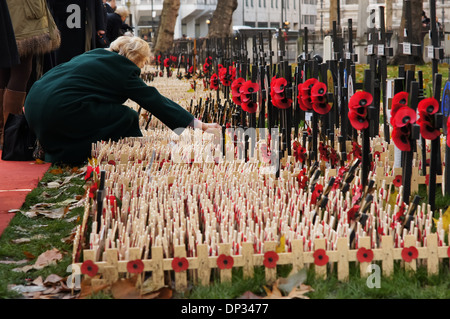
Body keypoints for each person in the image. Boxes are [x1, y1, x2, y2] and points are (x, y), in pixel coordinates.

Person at [24, 36, 221, 165]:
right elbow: (156, 102)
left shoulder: (94, 55)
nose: (142, 68)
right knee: (125, 116)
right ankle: (81, 153)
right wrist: (199, 125)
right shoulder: (122, 69)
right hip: (58, 111)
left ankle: (50, 145)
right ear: (136, 59)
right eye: (143, 62)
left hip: (34, 105)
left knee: (104, 112)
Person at [0, 0, 60, 148]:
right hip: (24, 14)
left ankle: (4, 132)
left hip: (11, 11)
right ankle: (9, 135)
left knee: (5, 68)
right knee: (21, 71)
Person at [47, 0, 106, 64]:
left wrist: (100, 26)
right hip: (64, 25)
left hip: (85, 26)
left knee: (84, 57)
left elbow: (97, 4)